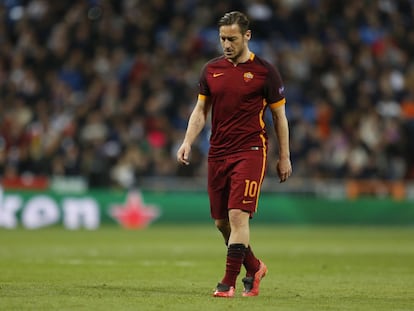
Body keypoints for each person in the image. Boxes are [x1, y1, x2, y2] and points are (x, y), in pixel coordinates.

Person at [176, 11, 292, 298]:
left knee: (238, 216)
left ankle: (227, 282)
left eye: (232, 39)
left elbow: (280, 118)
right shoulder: (211, 70)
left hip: (251, 150)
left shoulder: (265, 72)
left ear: (247, 36)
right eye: (222, 39)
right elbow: (201, 111)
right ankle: (254, 267)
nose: (226, 44)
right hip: (217, 152)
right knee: (221, 222)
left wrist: (285, 156)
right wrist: (187, 141)